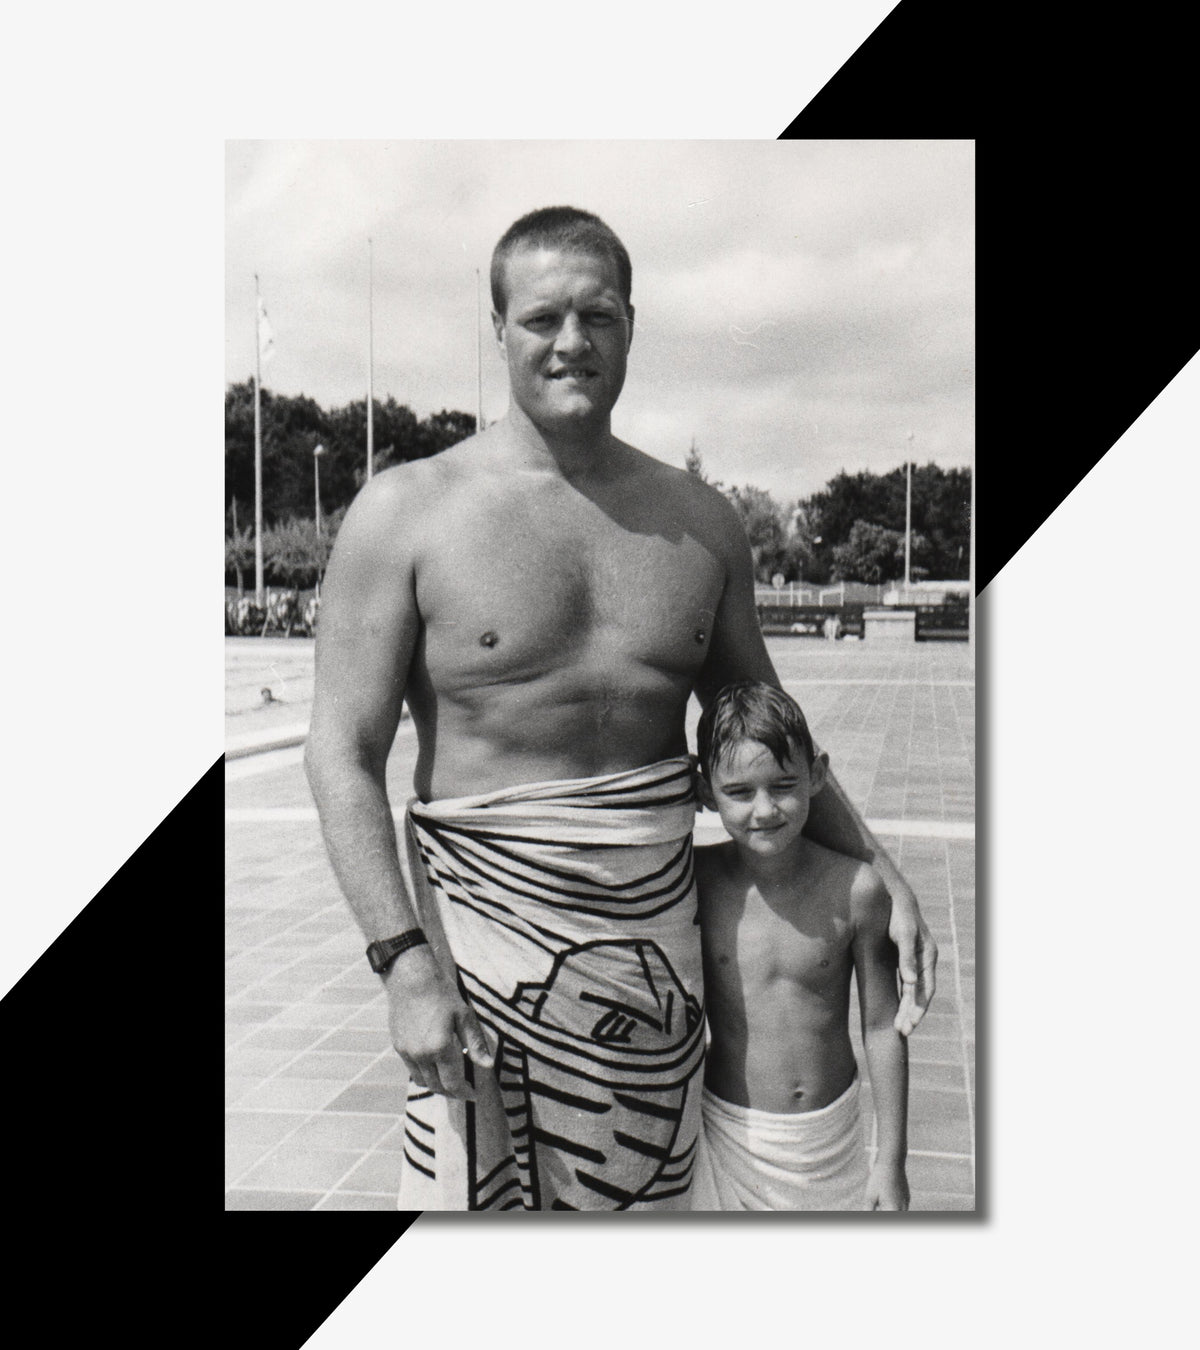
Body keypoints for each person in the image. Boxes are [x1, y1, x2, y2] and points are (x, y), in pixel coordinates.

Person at [304, 205, 934, 1211]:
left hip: (649, 966)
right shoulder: (407, 509)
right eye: (541, 317)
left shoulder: (699, 524)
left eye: (597, 316)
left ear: (631, 326)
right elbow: (340, 750)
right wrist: (402, 965)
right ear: (498, 329)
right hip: (475, 956)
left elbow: (761, 726)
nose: (571, 342)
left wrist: (883, 870)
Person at [688, 681, 908, 1210]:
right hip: (728, 1132)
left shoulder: (858, 890)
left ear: (818, 773)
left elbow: (881, 1026)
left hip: (830, 1142)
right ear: (704, 789)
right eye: (739, 792)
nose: (764, 810)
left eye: (783, 785)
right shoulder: (699, 881)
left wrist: (891, 1161)